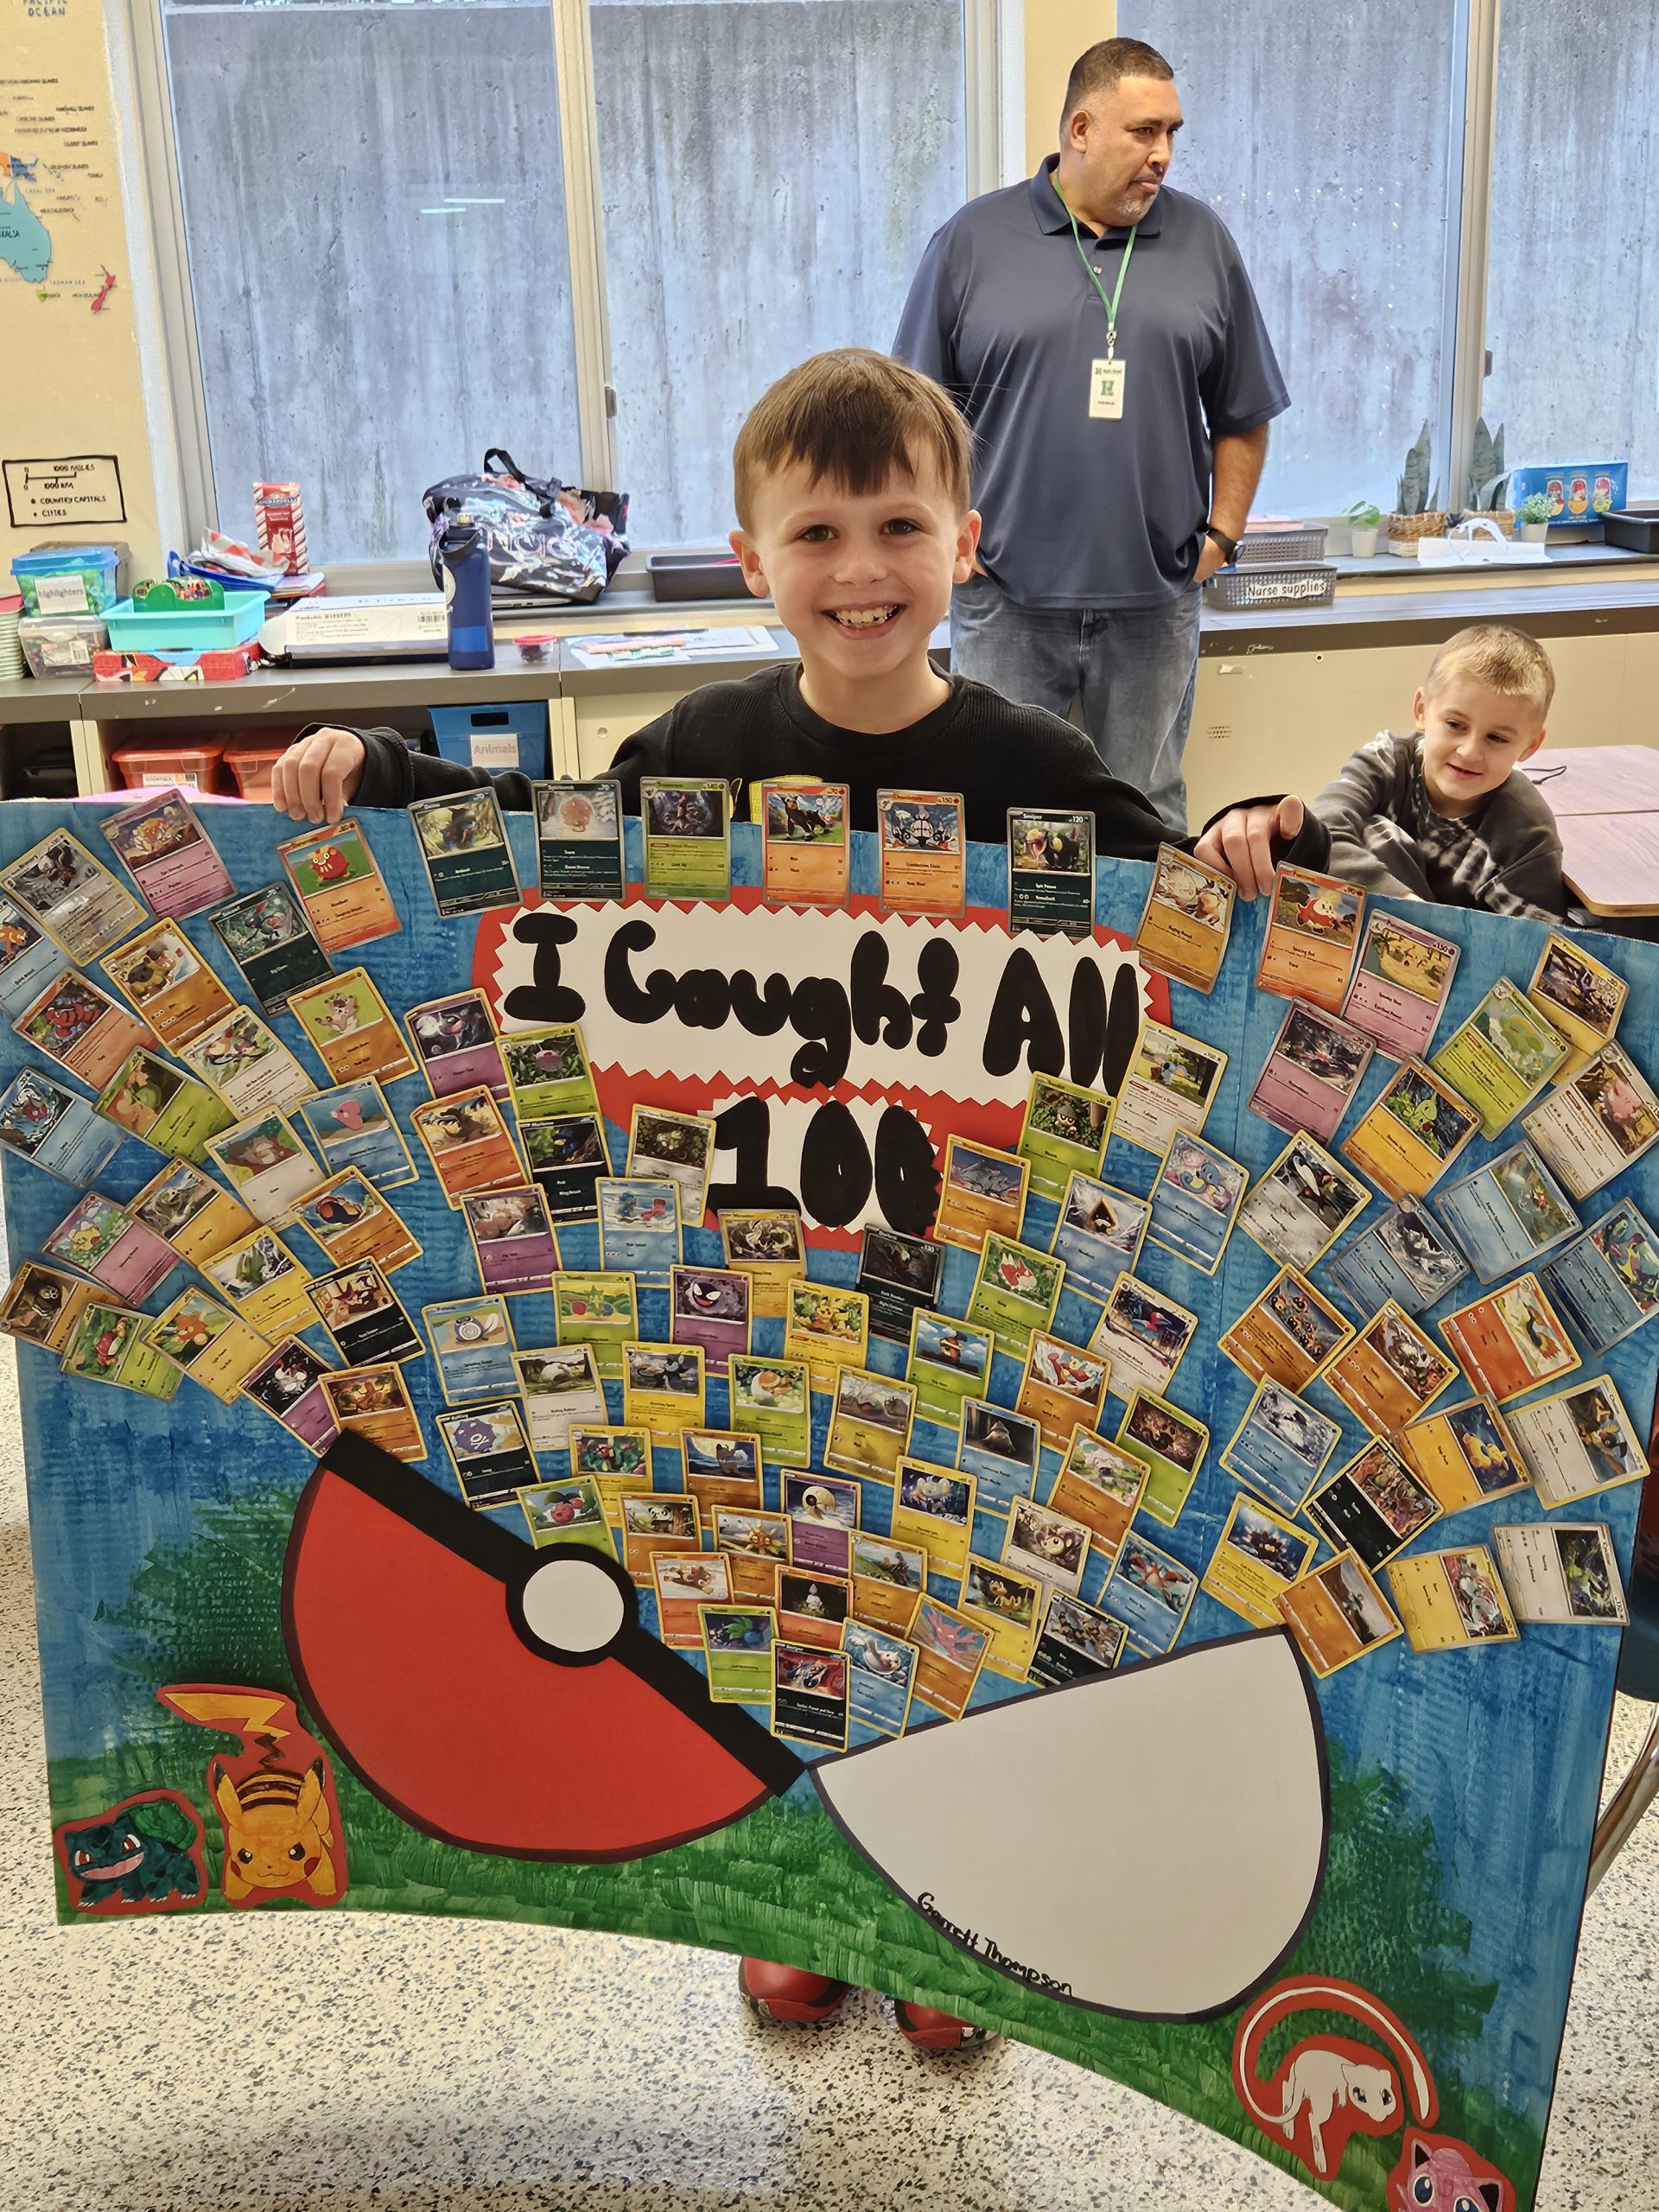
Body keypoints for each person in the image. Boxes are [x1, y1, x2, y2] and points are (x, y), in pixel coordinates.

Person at [268, 347, 1327, 2050]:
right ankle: (790, 1900)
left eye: (897, 524)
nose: (859, 569)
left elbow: (1194, 896)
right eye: (816, 530)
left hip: (958, 1303)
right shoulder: (700, 742)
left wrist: (1275, 840)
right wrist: (375, 768)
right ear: (751, 555)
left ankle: (946, 1930)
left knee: (948, 1613)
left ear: (965, 540)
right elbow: (536, 852)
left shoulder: (1030, 761)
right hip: (740, 1293)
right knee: (756, 1599)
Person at [892, 37, 1287, 833]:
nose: (1163, 154)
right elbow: (912, 425)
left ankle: (1135, 963)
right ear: (1080, 129)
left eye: (1172, 133)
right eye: (1144, 132)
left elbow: (1243, 411)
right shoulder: (971, 242)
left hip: (1155, 600)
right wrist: (941, 556)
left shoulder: (1204, 242)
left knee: (1144, 817)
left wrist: (1222, 537)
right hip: (1004, 599)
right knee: (997, 815)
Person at [1309, 624, 1564, 918]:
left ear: (1530, 745)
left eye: (1496, 738)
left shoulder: (1530, 832)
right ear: (1421, 710)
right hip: (1359, 938)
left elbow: (1536, 941)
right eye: (1455, 725)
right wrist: (1405, 905)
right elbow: (1321, 833)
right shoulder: (1385, 761)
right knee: (1372, 831)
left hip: (1465, 955)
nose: (1469, 751)